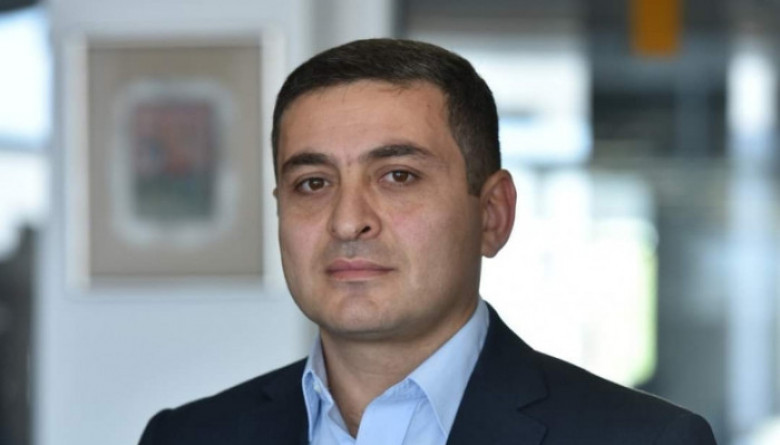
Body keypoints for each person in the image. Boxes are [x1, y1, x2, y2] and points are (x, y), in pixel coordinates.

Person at [138, 38, 717, 445]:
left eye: (398, 176)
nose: (347, 222)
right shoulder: (187, 437)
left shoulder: (644, 439)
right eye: (313, 183)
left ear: (492, 215)